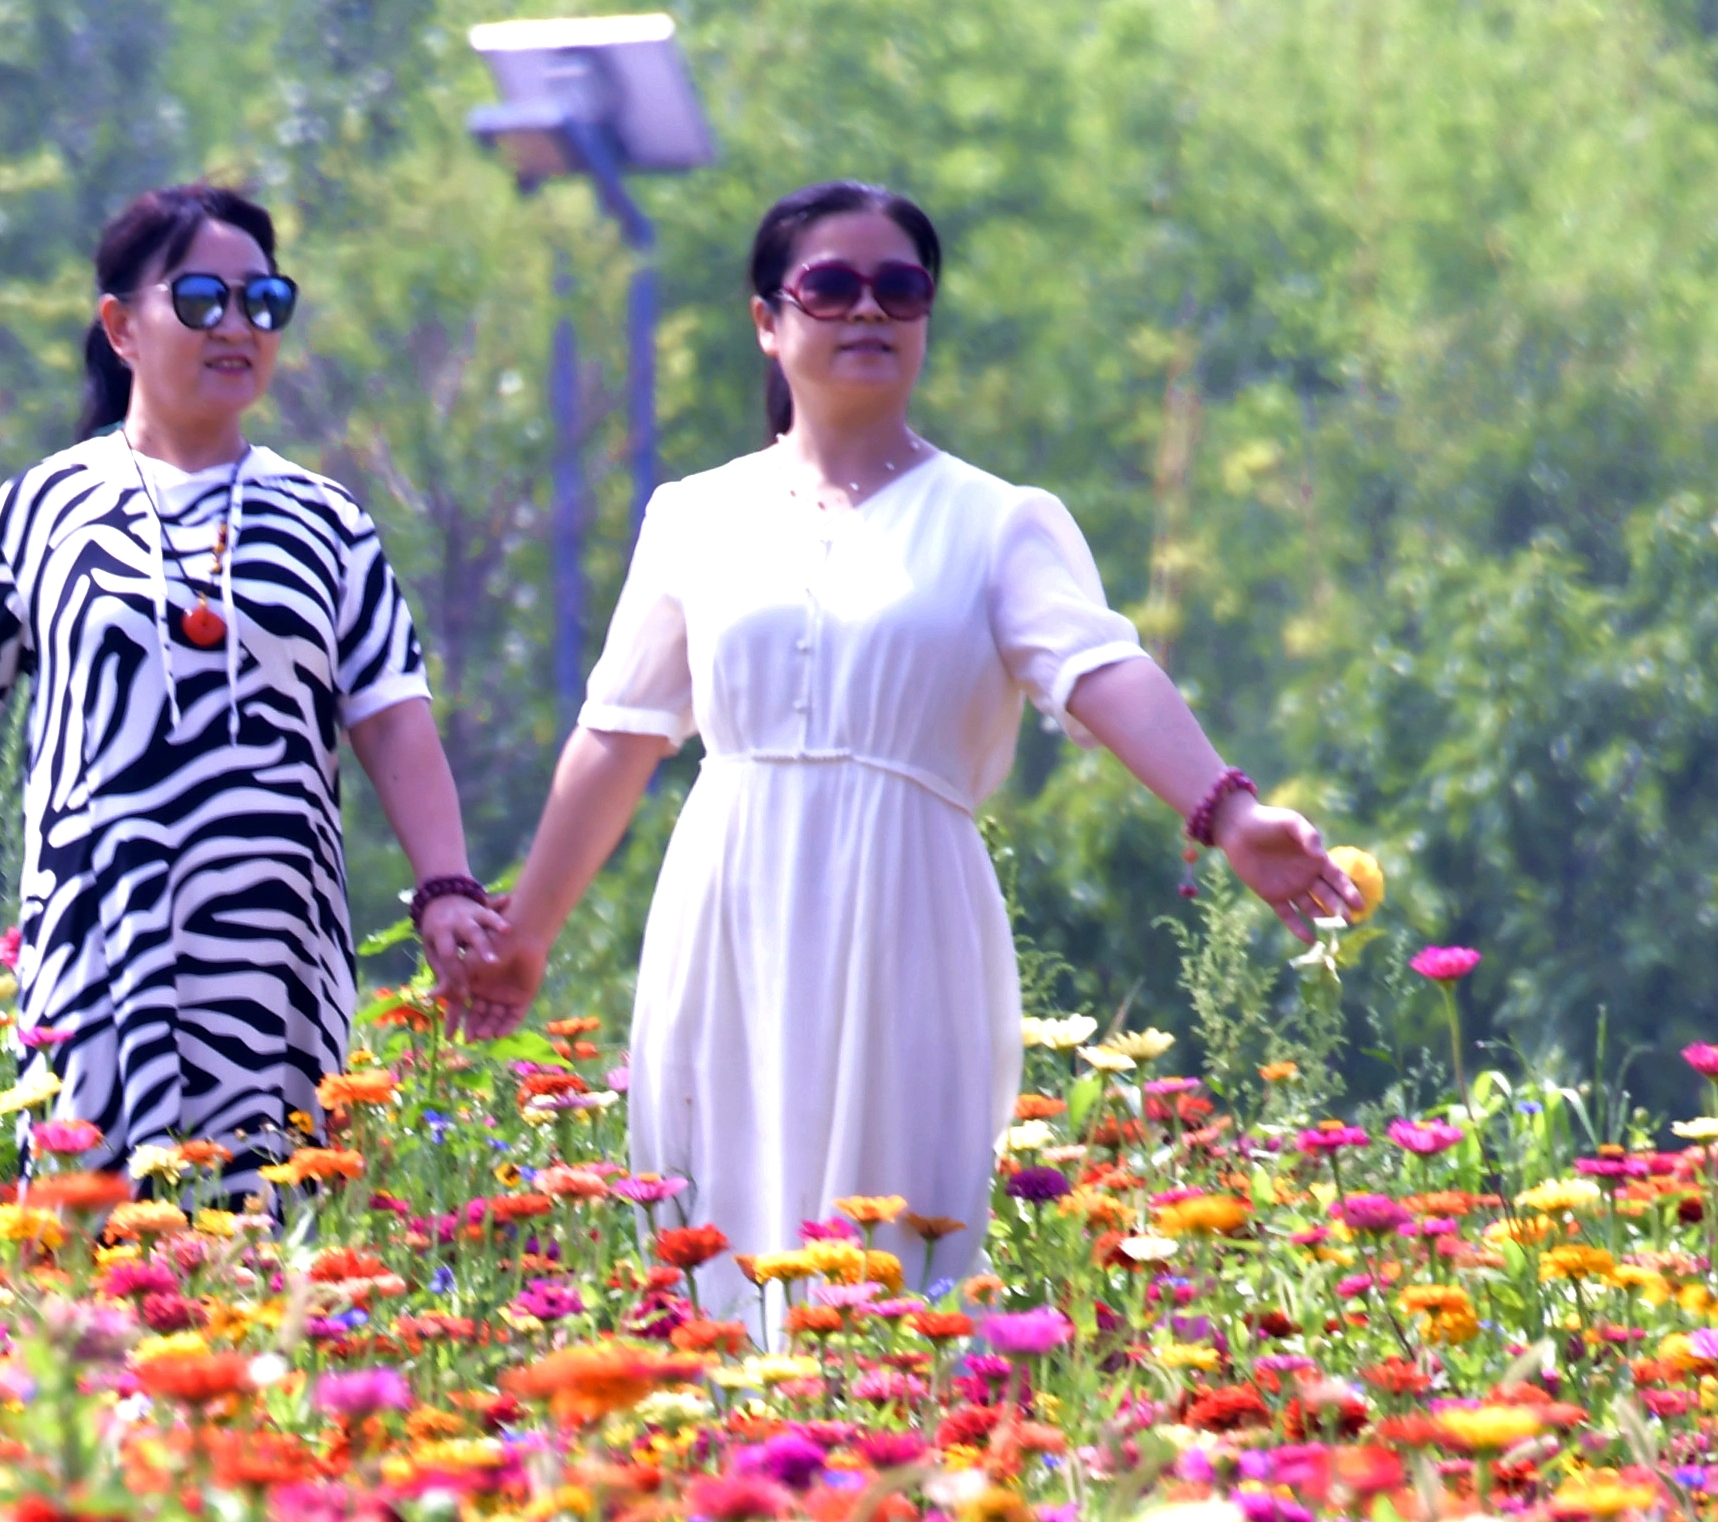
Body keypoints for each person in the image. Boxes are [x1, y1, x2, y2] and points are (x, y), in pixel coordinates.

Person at [463, 180, 1347, 1323]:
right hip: (731, 909)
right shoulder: (695, 516)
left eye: (901, 287)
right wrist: (525, 935)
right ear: (768, 323)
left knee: (897, 1254)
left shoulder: (997, 520)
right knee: (717, 1246)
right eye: (830, 287)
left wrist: (1229, 814)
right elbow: (619, 732)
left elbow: (1101, 671)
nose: (867, 310)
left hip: (909, 909)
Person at [0, 185, 498, 1169]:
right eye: (202, 300)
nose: (237, 325)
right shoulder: (39, 509)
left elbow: (392, 719)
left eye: (264, 302)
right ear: (120, 325)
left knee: (270, 1262)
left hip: (273, 965)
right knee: (93, 1262)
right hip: (97, 953)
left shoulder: (328, 521)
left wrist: (447, 890)